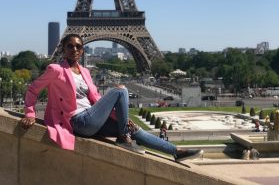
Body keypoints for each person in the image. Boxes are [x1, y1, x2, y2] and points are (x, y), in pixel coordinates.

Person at [21, 34, 201, 161]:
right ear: (63, 49)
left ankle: (175, 151)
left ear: (83, 51)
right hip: (76, 121)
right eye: (70, 46)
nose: (74, 49)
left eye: (78, 46)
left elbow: (98, 100)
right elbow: (32, 90)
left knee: (134, 129)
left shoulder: (85, 72)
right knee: (121, 90)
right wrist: (29, 113)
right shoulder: (56, 69)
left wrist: (122, 119)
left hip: (90, 119)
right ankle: (123, 137)